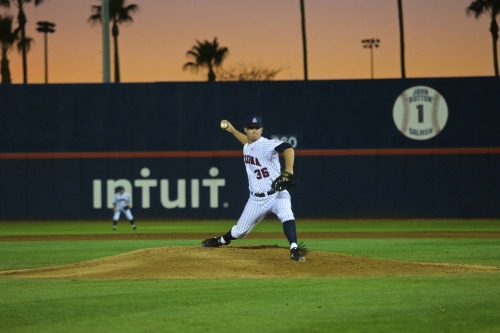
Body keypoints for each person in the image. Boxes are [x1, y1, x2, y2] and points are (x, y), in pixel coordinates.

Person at [201, 115, 305, 261]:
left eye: (257, 128)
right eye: (251, 128)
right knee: (239, 231)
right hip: (256, 199)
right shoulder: (248, 146)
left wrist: (289, 169)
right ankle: (221, 240)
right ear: (246, 129)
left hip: (277, 193)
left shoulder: (266, 144)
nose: (254, 131)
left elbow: (288, 148)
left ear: (262, 130)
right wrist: (232, 130)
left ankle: (294, 247)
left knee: (286, 214)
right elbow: (248, 143)